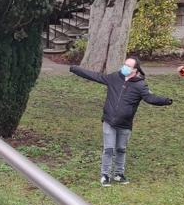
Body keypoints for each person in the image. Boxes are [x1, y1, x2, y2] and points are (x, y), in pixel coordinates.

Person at [70, 58, 173, 187]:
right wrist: (75, 69)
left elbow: (150, 98)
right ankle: (105, 175)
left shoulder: (140, 85)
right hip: (109, 120)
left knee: (121, 149)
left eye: (128, 66)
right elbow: (96, 76)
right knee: (109, 149)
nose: (124, 67)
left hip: (125, 123)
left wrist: (165, 100)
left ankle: (118, 174)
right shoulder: (114, 77)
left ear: (135, 70)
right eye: (124, 64)